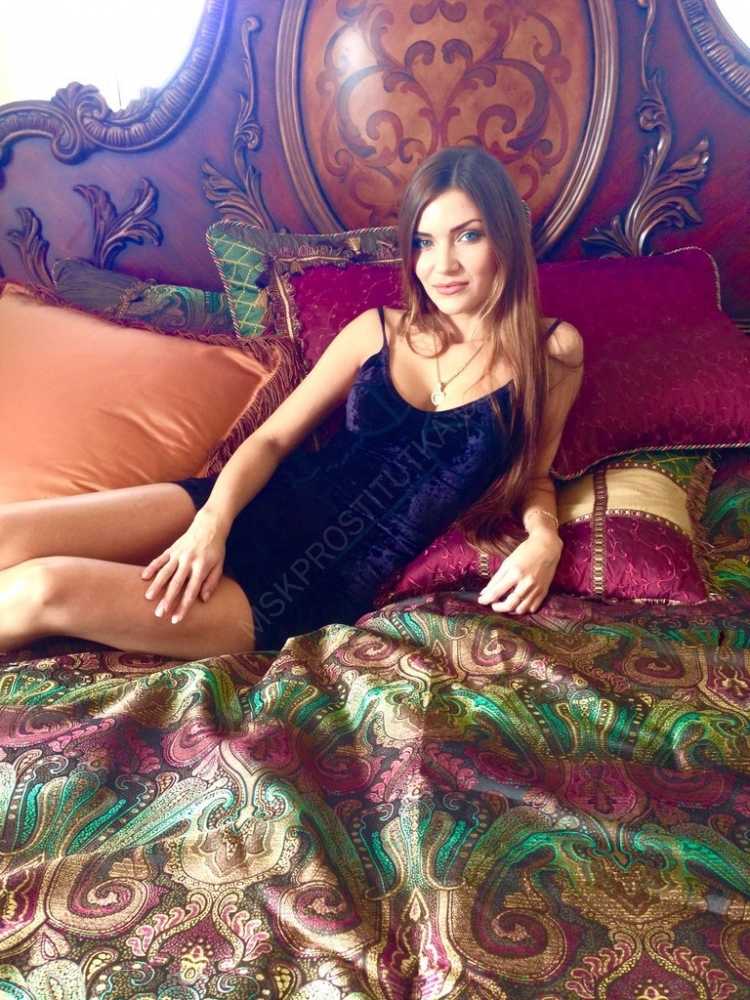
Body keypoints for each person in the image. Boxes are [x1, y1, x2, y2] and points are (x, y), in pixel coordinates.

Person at [0, 146, 583, 659]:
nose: (442, 265)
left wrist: (545, 539)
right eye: (424, 242)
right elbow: (274, 439)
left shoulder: (553, 352)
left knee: (41, 589)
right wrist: (210, 524)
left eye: (469, 236)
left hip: (300, 586)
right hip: (246, 505)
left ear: (505, 239)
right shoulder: (376, 330)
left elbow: (534, 475)